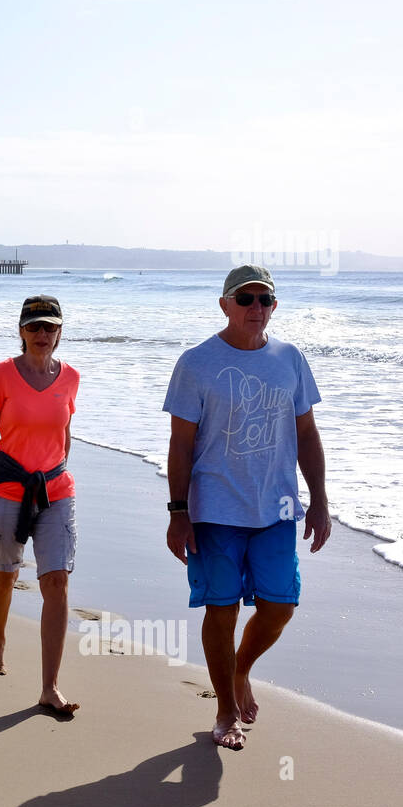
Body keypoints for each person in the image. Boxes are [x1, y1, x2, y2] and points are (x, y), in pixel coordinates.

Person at [163, 265, 330, 751]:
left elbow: (306, 433)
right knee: (222, 607)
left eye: (265, 300)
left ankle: (240, 670)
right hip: (214, 508)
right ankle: (224, 710)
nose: (256, 308)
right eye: (246, 299)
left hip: (277, 507)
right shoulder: (196, 363)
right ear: (225, 304)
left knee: (280, 606)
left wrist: (318, 500)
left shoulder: (290, 359)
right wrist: (178, 511)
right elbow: (180, 444)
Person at [0, 295, 81, 714]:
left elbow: (64, 435)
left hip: (55, 491)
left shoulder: (72, 377)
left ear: (60, 331)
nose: (43, 334)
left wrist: (57, 472)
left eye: (50, 327)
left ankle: (49, 687)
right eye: (35, 327)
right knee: (4, 574)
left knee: (57, 582)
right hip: (4, 490)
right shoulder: (1, 375)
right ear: (21, 331)